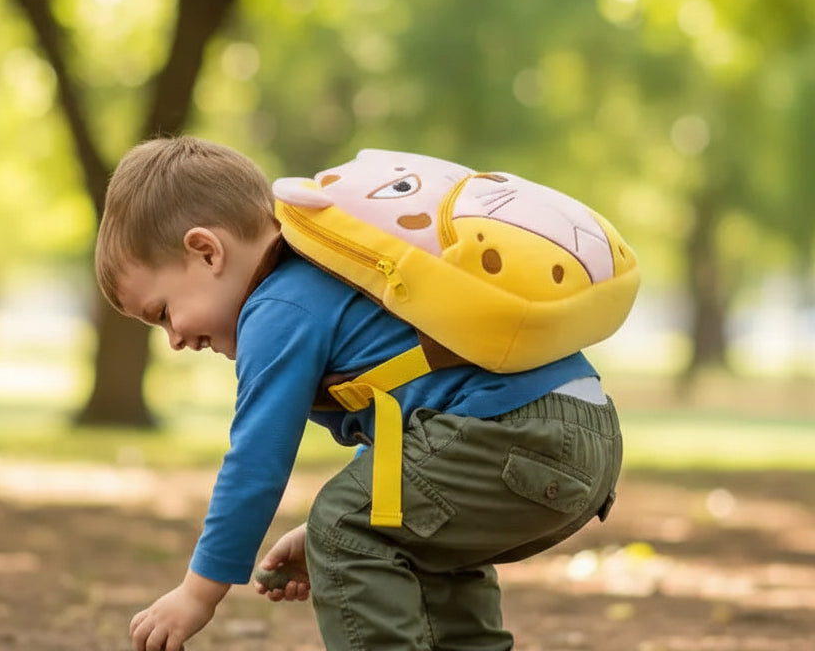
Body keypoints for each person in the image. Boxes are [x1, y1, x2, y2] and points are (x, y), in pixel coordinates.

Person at [95, 135, 623, 651]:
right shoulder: (331, 277)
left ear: (206, 251)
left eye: (162, 312)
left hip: (517, 433)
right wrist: (338, 534)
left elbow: (255, 462)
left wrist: (197, 594)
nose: (176, 339)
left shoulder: (278, 308)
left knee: (344, 523)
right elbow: (414, 415)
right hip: (574, 430)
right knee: (412, 544)